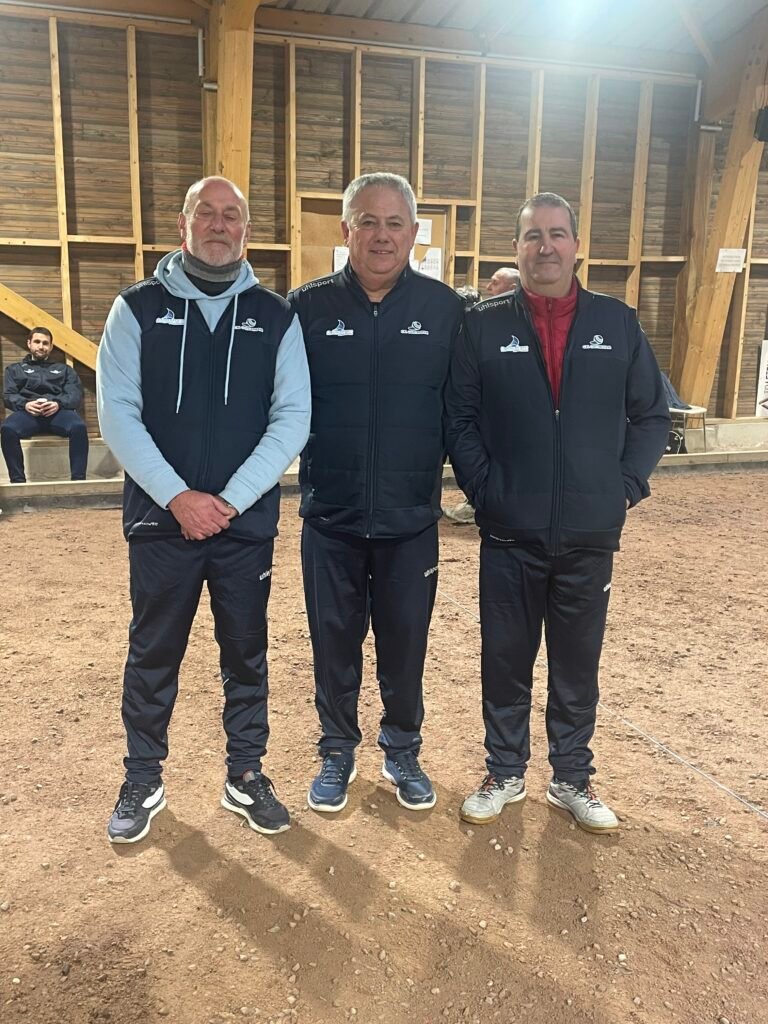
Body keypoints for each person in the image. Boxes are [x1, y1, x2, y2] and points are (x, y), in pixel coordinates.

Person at [97, 176, 311, 844]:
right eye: (207, 213)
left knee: (246, 654)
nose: (220, 225)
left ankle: (245, 774)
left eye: (232, 216)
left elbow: (293, 417)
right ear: (184, 224)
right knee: (153, 652)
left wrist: (230, 500)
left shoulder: (276, 317)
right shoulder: (136, 308)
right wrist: (178, 498)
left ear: (246, 230)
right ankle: (143, 777)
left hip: (243, 526)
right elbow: (117, 413)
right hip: (161, 523)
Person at [446, 192, 669, 834]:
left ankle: (571, 776)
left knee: (577, 664)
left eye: (557, 233)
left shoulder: (616, 324)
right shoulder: (482, 325)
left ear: (576, 245)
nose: (545, 246)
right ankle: (505, 770)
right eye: (532, 235)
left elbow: (652, 415)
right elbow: (459, 418)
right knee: (505, 659)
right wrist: (486, 490)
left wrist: (621, 486)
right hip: (509, 529)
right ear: (517, 248)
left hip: (589, 532)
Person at [289, 172, 463, 814]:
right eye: (368, 221)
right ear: (346, 230)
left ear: (414, 233)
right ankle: (337, 750)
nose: (381, 235)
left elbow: (464, 412)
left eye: (394, 223)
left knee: (405, 645)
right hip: (330, 518)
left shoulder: (447, 312)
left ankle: (402, 749)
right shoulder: (305, 309)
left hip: (410, 520)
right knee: (333, 643)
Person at [1, 327, 89, 483]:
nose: (41, 346)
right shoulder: (14, 370)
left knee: (79, 427)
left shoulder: (64, 370)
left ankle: (78, 481)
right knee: (7, 429)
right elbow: (8, 395)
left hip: (58, 413)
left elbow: (75, 395)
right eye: (37, 342)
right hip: (27, 414)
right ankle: (18, 481)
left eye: (45, 343)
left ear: (51, 346)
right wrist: (25, 404)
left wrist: (58, 403)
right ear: (29, 343)